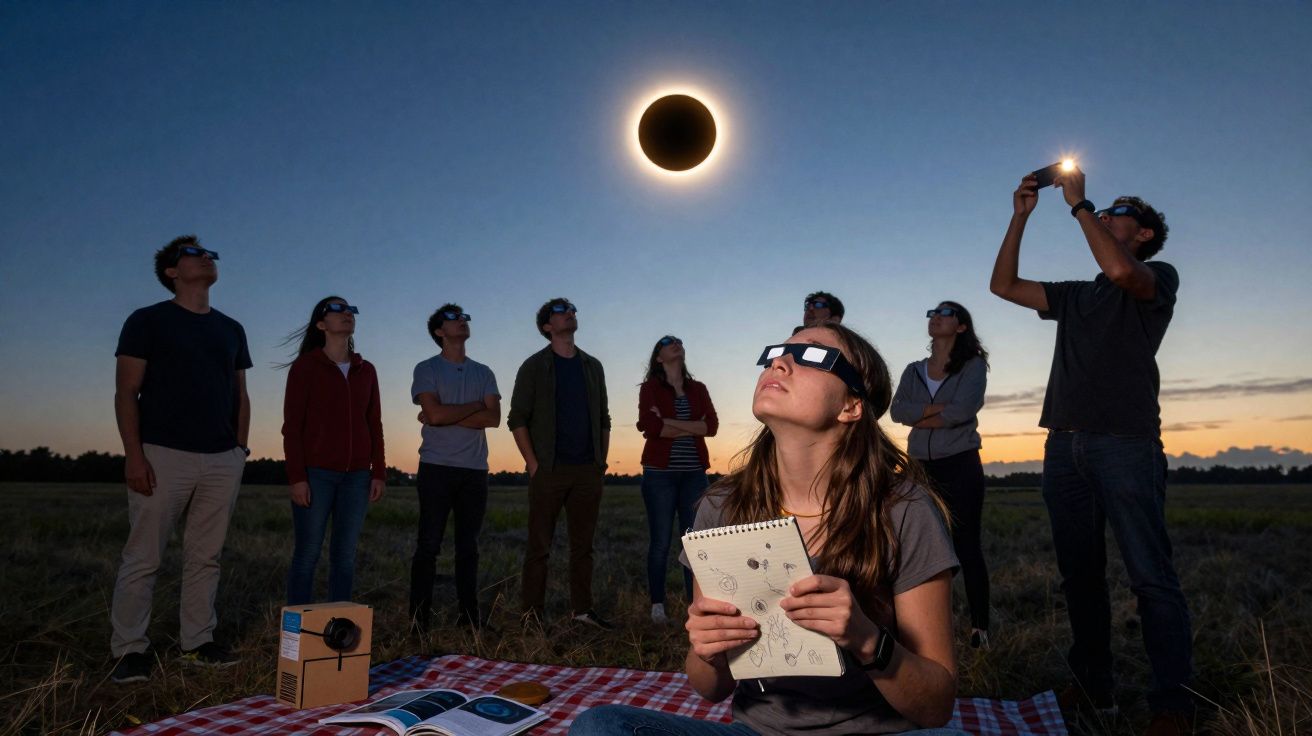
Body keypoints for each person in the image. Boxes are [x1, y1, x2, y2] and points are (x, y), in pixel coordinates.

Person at [571, 323, 963, 736]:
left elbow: (936, 707)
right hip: (759, 732)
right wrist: (708, 653)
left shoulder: (905, 510)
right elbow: (710, 690)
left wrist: (867, 640)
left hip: (878, 731)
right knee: (600, 725)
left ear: (851, 406)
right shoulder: (720, 507)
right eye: (776, 352)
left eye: (811, 355)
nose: (779, 361)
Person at [990, 167, 1193, 734]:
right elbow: (1003, 286)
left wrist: (1081, 205)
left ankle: (1173, 703)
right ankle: (1092, 688)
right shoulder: (1077, 297)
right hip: (1065, 446)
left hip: (1125, 444)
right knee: (1080, 576)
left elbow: (1121, 270)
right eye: (1105, 211)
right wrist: (1020, 216)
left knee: (1150, 576)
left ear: (1145, 233)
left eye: (1119, 212)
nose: (1107, 214)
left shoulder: (1156, 275)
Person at [109, 235, 252, 683]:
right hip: (163, 454)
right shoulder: (148, 320)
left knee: (205, 557)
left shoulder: (231, 328)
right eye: (196, 253)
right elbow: (126, 392)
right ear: (172, 271)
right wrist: (135, 455)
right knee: (144, 556)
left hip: (220, 458)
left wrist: (239, 451)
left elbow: (240, 396)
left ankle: (197, 642)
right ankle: (129, 649)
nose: (208, 256)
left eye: (211, 254)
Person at [891, 301, 991, 650]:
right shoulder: (913, 370)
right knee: (918, 548)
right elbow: (897, 411)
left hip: (961, 462)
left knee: (966, 546)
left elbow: (964, 411)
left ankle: (981, 629)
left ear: (961, 326)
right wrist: (939, 411)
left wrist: (920, 416)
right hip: (919, 467)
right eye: (932, 312)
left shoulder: (973, 366)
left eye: (945, 312)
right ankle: (923, 627)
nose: (935, 316)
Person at [508, 297, 613, 630]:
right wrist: (533, 463)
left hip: (587, 470)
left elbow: (603, 418)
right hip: (549, 469)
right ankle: (531, 615)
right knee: (539, 546)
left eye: (572, 309)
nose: (571, 313)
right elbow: (517, 418)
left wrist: (600, 462)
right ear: (547, 326)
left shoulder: (592, 366)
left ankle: (582, 611)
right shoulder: (534, 366)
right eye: (561, 311)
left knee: (583, 547)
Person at [281, 296, 386, 607]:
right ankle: (297, 631)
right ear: (321, 324)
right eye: (337, 310)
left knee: (345, 556)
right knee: (308, 553)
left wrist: (377, 471)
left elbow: (374, 424)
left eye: (350, 309)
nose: (347, 314)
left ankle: (339, 629)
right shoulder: (305, 367)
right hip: (317, 476)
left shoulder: (366, 370)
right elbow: (292, 427)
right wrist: (297, 477)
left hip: (356, 478)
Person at [409, 304, 500, 631]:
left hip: (474, 470)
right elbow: (434, 416)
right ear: (439, 332)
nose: (462, 320)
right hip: (436, 467)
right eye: (453, 318)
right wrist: (475, 405)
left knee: (468, 547)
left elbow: (494, 419)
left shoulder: (484, 372)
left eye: (465, 316)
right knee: (428, 546)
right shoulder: (427, 368)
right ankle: (419, 621)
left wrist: (448, 412)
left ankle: (469, 618)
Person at [636, 335, 719, 625]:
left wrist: (668, 422)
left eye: (680, 340)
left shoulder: (698, 389)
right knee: (660, 542)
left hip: (694, 474)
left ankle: (694, 604)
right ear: (658, 357)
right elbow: (650, 426)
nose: (677, 343)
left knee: (694, 542)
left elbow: (712, 427)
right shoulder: (650, 389)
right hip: (660, 474)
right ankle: (657, 606)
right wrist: (690, 427)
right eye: (668, 341)